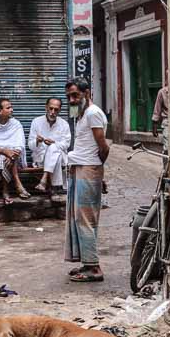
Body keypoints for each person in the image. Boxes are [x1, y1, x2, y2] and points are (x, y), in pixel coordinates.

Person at [64, 77, 109, 282]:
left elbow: (103, 147)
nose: (72, 100)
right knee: (79, 217)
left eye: (76, 95)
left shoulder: (92, 113)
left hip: (88, 169)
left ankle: (94, 268)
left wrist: (96, 170)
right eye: (69, 97)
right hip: (80, 167)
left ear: (87, 93)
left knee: (86, 218)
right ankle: (87, 262)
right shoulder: (81, 114)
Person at [0, 98, 31, 205]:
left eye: (11, 107)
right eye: (8, 108)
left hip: (13, 156)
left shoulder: (15, 124)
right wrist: (5, 151)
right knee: (4, 157)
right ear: (0, 111)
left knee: (9, 158)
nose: (12, 110)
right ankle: (17, 183)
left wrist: (11, 154)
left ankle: (5, 191)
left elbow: (20, 144)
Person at [28, 97, 71, 194]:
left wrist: (54, 144)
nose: (53, 112)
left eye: (56, 109)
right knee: (54, 151)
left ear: (60, 110)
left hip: (59, 159)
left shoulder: (64, 124)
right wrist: (37, 141)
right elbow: (30, 146)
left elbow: (66, 144)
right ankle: (56, 187)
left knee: (53, 148)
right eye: (51, 108)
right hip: (41, 159)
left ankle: (44, 179)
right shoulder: (36, 122)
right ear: (46, 107)